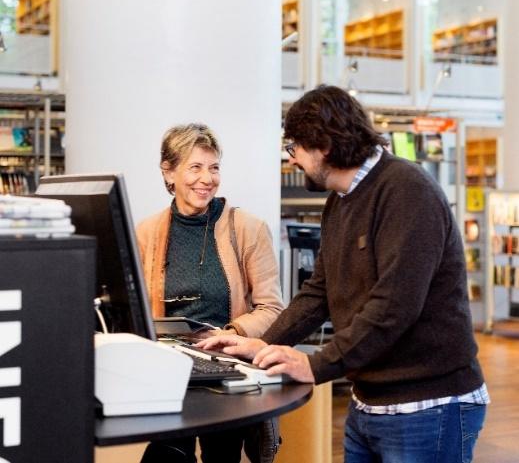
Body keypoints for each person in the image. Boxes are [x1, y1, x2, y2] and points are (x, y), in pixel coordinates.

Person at [199, 85, 489, 463]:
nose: (291, 159)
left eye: (295, 148)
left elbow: (394, 307)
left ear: (325, 147)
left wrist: (314, 364)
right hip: (369, 404)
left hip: (429, 407)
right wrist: (264, 345)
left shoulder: (407, 191)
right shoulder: (339, 201)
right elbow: (318, 293)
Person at [136, 123, 284, 463]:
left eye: (214, 167)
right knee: (165, 455)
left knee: (222, 455)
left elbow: (272, 309)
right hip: (168, 372)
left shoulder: (247, 229)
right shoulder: (147, 232)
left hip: (227, 371)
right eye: (195, 167)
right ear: (169, 172)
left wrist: (230, 335)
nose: (207, 178)